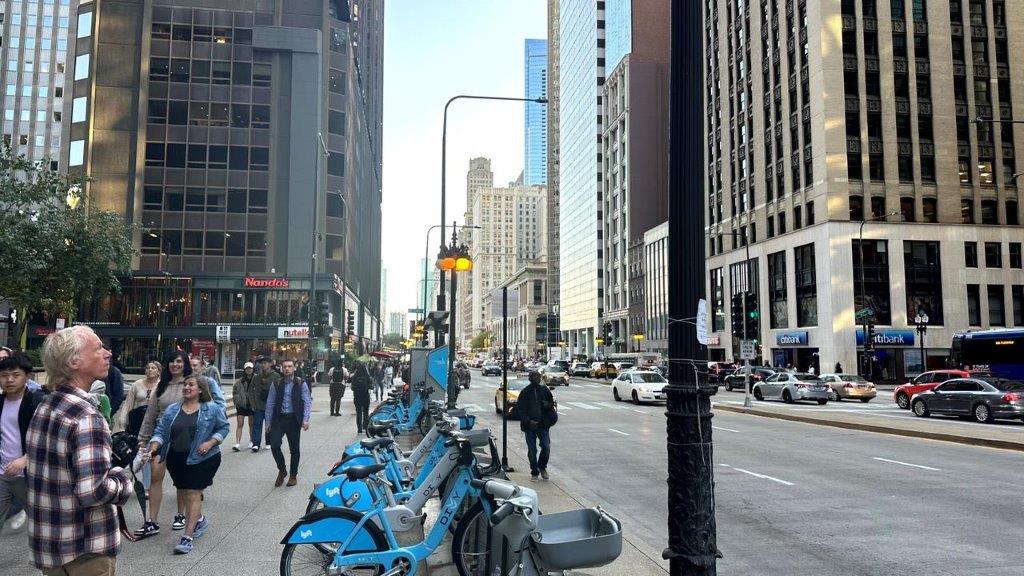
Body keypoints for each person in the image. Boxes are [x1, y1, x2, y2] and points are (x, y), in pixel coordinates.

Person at [27, 326, 133, 575]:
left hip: (51, 548)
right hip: (86, 551)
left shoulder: (45, 407)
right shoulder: (86, 416)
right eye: (98, 348)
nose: (108, 353)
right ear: (74, 362)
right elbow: (93, 491)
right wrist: (122, 480)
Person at [146, 374, 229, 555]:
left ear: (200, 389)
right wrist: (153, 447)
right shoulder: (172, 410)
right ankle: (199, 519)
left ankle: (187, 538)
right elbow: (160, 431)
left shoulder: (212, 409)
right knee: (184, 491)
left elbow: (224, 427)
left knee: (193, 493)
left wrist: (210, 443)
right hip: (176, 458)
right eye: (185, 385)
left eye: (191, 385)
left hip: (204, 458)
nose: (187, 387)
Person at [134, 351, 193, 538]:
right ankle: (152, 521)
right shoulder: (161, 386)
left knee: (182, 478)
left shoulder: (190, 383)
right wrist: (142, 439)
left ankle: (180, 514)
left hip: (184, 435)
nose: (174, 365)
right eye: (171, 361)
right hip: (161, 435)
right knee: (155, 476)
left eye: (178, 361)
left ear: (185, 364)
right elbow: (150, 414)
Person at [0, 353, 46, 537]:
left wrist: (26, 458)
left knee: (40, 525)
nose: (9, 380)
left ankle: (48, 562)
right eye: (4, 375)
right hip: (2, 474)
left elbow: (45, 438)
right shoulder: (0, 403)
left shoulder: (37, 402)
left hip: (29, 475)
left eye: (15, 375)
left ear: (27, 376)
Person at [264, 359, 312, 487]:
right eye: (284, 367)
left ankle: (293, 475)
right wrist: (267, 422)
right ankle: (282, 469)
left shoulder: (301, 383)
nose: (287, 369)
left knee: (294, 449)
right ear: (281, 368)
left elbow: (307, 401)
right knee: (274, 445)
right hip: (278, 419)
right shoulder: (276, 383)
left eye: (289, 366)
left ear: (294, 368)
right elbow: (270, 403)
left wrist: (305, 419)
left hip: (293, 420)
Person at [516, 371, 558, 481]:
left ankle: (542, 467)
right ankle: (534, 471)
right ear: (530, 379)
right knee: (532, 450)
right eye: (533, 377)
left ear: (540, 378)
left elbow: (551, 404)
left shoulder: (544, 390)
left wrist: (547, 405)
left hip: (543, 425)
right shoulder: (525, 392)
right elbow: (520, 410)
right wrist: (529, 421)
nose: (536, 379)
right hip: (529, 426)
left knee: (546, 447)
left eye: (537, 377)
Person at [247, 356, 280, 453]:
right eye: (262, 363)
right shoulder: (256, 377)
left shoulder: (276, 376)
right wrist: (253, 403)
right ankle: (256, 443)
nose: (263, 365)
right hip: (258, 405)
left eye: (265, 363)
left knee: (269, 424)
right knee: (257, 424)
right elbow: (250, 391)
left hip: (271, 405)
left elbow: (280, 391)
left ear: (270, 364)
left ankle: (268, 442)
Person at [232, 362, 256, 451]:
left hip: (251, 405)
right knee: (240, 423)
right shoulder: (239, 381)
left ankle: (251, 441)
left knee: (251, 424)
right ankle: (237, 443)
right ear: (245, 370)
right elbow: (235, 391)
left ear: (253, 369)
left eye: (250, 368)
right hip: (241, 405)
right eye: (247, 368)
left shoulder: (256, 379)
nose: (248, 370)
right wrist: (237, 401)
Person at [350, 361, 372, 434]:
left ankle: (359, 429)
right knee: (366, 412)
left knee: (358, 412)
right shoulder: (367, 376)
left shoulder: (355, 376)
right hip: (365, 396)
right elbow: (371, 386)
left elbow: (352, 388)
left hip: (357, 396)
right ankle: (365, 427)